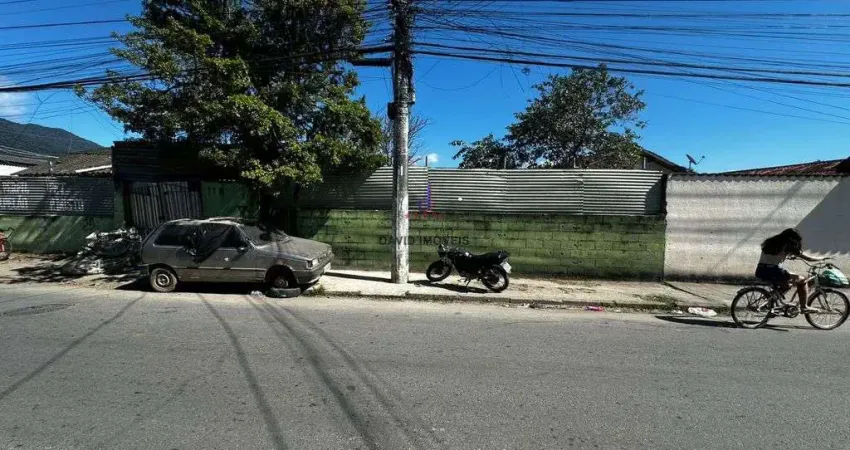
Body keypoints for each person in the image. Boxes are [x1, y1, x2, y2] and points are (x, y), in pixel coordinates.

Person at [755, 228, 825, 312]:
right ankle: (804, 306)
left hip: (761, 270)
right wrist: (822, 259)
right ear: (791, 238)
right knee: (802, 280)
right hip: (774, 271)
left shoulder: (770, 242)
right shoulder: (787, 245)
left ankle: (769, 301)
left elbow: (774, 256)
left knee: (787, 285)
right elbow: (808, 258)